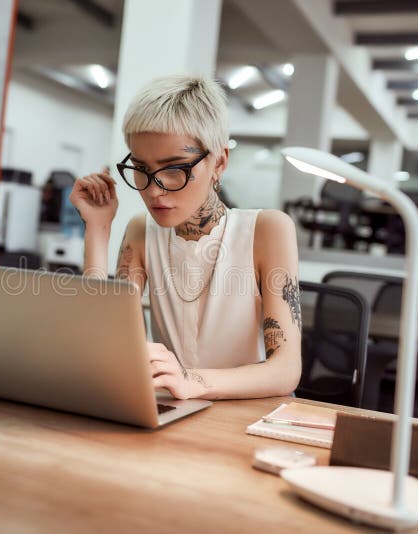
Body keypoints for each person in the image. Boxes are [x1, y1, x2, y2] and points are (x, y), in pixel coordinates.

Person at [69, 74, 301, 401]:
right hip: (174, 408)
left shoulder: (266, 230)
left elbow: (286, 370)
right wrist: (97, 228)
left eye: (175, 168)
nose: (153, 189)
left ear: (219, 162)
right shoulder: (141, 232)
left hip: (246, 411)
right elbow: (103, 342)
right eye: (140, 167)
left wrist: (191, 381)